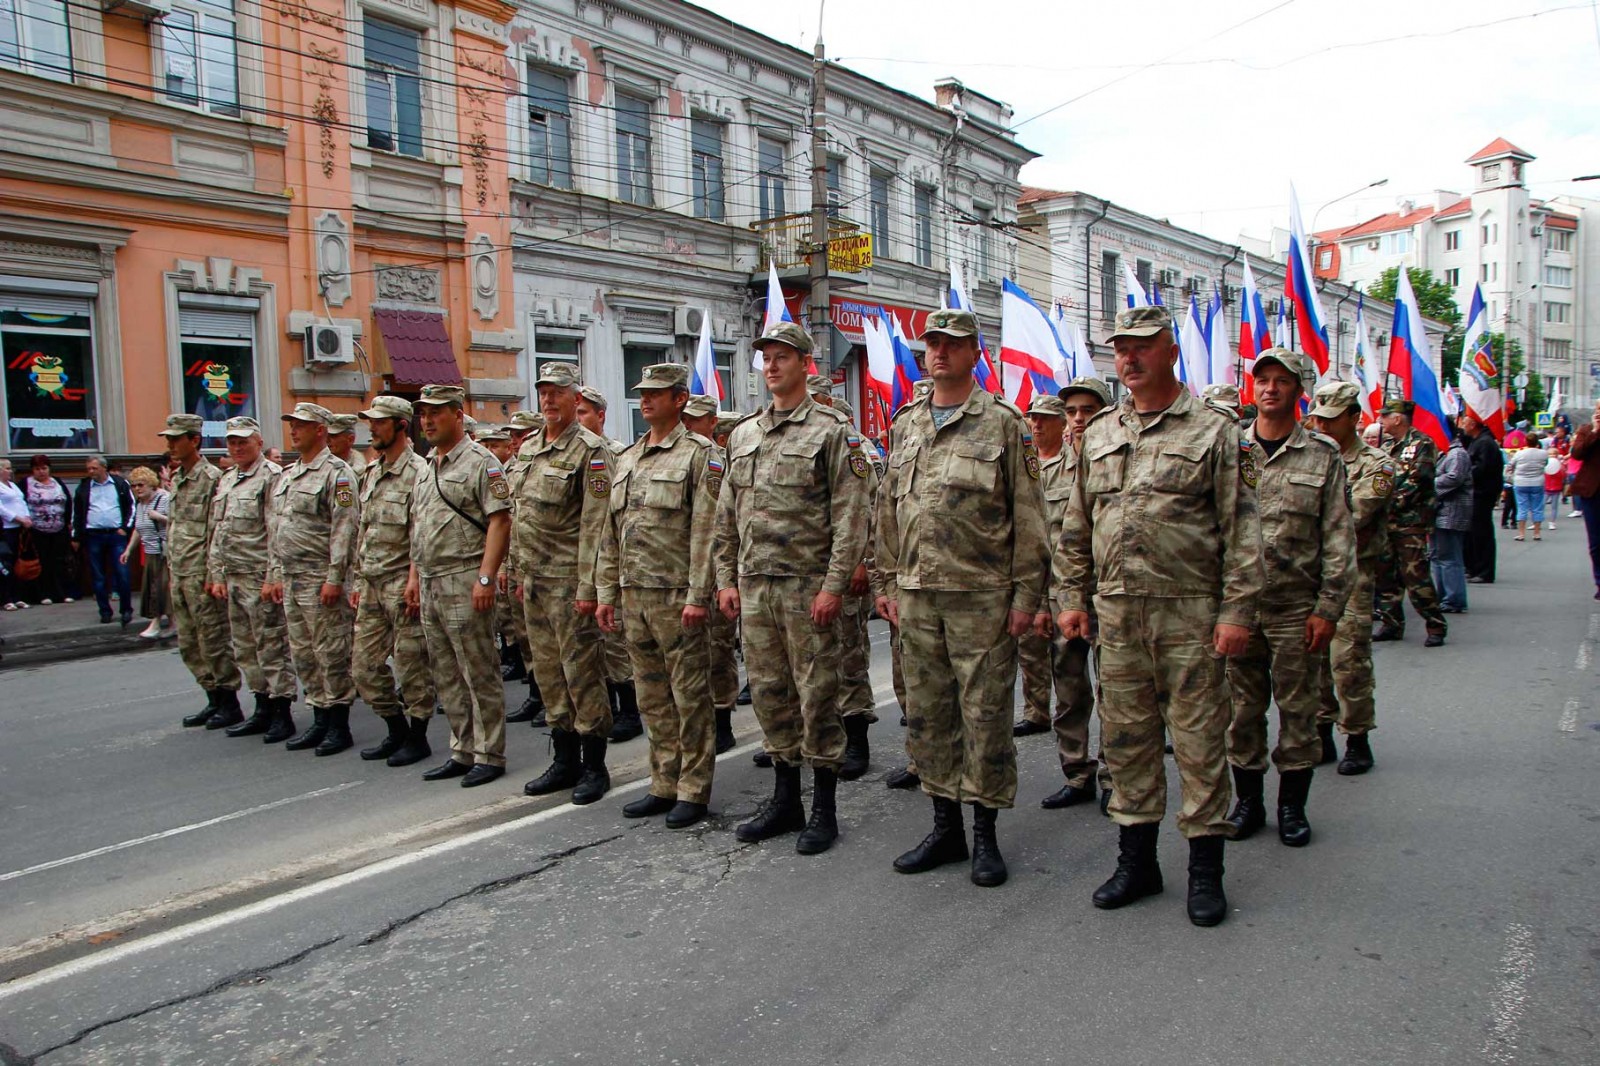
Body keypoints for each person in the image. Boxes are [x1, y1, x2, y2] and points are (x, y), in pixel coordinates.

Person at [1056, 305, 1265, 927]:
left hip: (1192, 615)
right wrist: (1070, 598)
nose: (1130, 358)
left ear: (1171, 350)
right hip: (1117, 618)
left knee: (1201, 744)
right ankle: (1137, 862)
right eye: (1121, 348)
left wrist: (1237, 612)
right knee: (1126, 744)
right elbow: (1075, 528)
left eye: (1143, 346)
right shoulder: (1098, 433)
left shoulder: (1213, 431)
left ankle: (1206, 873)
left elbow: (1242, 531)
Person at [877, 308, 1047, 888]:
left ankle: (985, 836)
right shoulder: (906, 425)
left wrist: (1026, 597)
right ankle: (944, 824)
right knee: (929, 716)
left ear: (976, 352)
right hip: (918, 595)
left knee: (985, 718)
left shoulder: (1005, 424)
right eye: (933, 344)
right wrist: (885, 582)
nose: (940, 352)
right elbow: (888, 512)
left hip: (983, 598)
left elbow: (1028, 518)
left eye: (953, 344)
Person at [713, 320, 870, 854]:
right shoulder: (743, 434)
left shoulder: (831, 430)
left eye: (783, 356)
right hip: (756, 588)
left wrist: (833, 587)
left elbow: (851, 517)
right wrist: (725, 578)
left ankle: (823, 808)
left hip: (808, 589)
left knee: (817, 696)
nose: (772, 364)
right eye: (766, 356)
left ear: (806, 364)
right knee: (770, 696)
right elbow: (726, 516)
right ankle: (786, 800)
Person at [1224, 349, 1353, 850]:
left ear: (1301, 392)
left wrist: (1329, 608)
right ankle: (1249, 802)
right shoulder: (1230, 450)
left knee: (1299, 711)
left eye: (1282, 381)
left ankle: (1292, 807)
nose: (1271, 389)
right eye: (1263, 380)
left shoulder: (1322, 455)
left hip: (1296, 607)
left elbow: (1339, 537)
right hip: (1240, 608)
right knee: (1242, 710)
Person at [597, 364, 720, 828]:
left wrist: (697, 595)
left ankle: (693, 788)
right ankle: (663, 781)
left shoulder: (699, 454)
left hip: (676, 596)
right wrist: (607, 591)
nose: (646, 400)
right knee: (651, 697)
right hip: (634, 595)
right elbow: (612, 533)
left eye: (657, 393)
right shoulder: (628, 458)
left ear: (680, 399)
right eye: (642, 393)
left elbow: (707, 532)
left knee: (689, 696)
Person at [515, 363, 617, 804]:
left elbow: (597, 527)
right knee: (549, 675)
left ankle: (594, 765)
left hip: (569, 584)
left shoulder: (591, 452)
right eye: (544, 392)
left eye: (558, 392)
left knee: (582, 675)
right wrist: (516, 574)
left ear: (576, 399)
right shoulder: (529, 449)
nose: (549, 400)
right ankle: (563, 760)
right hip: (535, 584)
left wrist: (588, 589)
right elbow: (520, 516)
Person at [408, 384, 514, 786]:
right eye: (423, 414)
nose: (428, 421)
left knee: (477, 669)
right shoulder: (428, 465)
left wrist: (486, 577)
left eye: (436, 413)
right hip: (433, 579)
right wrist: (416, 576)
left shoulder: (481, 462)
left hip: (465, 575)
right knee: (446, 671)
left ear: (457, 413)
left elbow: (499, 521)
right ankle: (463, 748)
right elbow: (420, 527)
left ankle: (490, 752)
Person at [1308, 382, 1394, 776]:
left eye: (1331, 419)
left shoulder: (1376, 464)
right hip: (1309, 572)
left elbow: (1352, 516)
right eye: (1317, 418)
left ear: (1354, 418)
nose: (1321, 426)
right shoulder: (1308, 460)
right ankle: (1321, 730)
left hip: (1353, 574)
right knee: (1313, 659)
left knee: (1349, 659)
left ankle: (1357, 736)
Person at [349, 395, 437, 768]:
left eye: (380, 422)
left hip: (403, 583)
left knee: (411, 664)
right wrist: (356, 579)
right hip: (371, 582)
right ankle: (395, 728)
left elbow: (422, 532)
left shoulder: (419, 471)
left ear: (401, 426)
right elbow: (362, 530)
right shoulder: (371, 472)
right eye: (371, 421)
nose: (372, 428)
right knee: (364, 667)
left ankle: (417, 737)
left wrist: (415, 580)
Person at [268, 403, 360, 757]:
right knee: (304, 653)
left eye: (302, 425)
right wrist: (275, 573)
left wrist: (335, 577)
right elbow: (278, 527)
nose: (294, 430)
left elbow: (344, 528)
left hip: (320, 577)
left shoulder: (336, 474)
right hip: (292, 577)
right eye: (292, 424)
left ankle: (338, 723)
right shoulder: (290, 474)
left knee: (330, 652)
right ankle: (320, 717)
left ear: (320, 430)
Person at [1040, 377, 1114, 812]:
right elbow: (1038, 541)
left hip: (1110, 597)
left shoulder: (1119, 462)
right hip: (1062, 598)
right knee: (1069, 691)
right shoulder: (1047, 470)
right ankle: (1077, 772)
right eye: (1071, 411)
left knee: (1115, 693)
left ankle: (1113, 776)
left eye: (1089, 409)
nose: (1079, 419)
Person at [209, 417, 299, 742]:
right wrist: (217, 573)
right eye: (232, 442)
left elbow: (277, 532)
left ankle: (281, 712)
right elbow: (219, 530)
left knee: (271, 646)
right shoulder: (228, 479)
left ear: (259, 443)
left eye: (243, 441)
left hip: (260, 577)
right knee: (246, 649)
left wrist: (273, 576)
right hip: (234, 576)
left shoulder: (272, 477)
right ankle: (261, 707)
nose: (236, 447)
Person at [157, 414, 241, 729]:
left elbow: (214, 531)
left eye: (176, 439)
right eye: (168, 439)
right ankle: (212, 697)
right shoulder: (179, 478)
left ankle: (228, 702)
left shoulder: (211, 478)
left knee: (213, 639)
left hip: (202, 575)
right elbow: (177, 528)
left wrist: (213, 574)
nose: (170, 445)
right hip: (180, 571)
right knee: (189, 642)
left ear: (194, 440)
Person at [575, 387, 642, 743]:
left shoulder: (616, 455)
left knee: (615, 641)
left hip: (610, 559)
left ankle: (629, 710)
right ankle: (607, 708)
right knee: (588, 644)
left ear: (600, 416)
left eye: (584, 412)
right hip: (578, 563)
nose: (579, 418)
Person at [682, 392, 739, 753]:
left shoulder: (716, 462)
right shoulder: (682, 457)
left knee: (719, 648)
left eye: (696, 418)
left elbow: (722, 523)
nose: (689, 424)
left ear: (711, 421)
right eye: (685, 417)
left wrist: (724, 577)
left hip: (717, 567)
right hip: (686, 570)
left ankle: (723, 720)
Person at [1373, 400, 1446, 647]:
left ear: (1399, 418)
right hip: (1385, 522)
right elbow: (1379, 478)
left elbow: (1420, 480)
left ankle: (1435, 624)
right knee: (1385, 575)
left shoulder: (1422, 443)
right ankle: (1391, 623)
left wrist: (1388, 503)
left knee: (1416, 576)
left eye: (1385, 415)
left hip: (1410, 521)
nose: (1381, 420)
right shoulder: (1386, 446)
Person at [70, 456, 135, 626]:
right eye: (89, 469)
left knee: (122, 573)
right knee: (98, 576)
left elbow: (131, 506)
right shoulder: (84, 487)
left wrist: (125, 528)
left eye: (94, 468)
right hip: (94, 535)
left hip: (116, 534)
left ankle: (126, 609)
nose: (91, 472)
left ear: (104, 468)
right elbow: (77, 512)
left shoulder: (119, 484)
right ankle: (105, 611)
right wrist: (76, 535)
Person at [120, 466, 173, 639]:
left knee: (161, 590)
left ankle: (156, 624)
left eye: (140, 485)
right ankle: (173, 624)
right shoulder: (141, 504)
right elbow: (138, 528)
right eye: (134, 486)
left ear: (151, 484)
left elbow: (178, 520)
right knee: (155, 589)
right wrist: (128, 550)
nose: (137, 489)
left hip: (165, 553)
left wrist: (160, 517)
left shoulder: (163, 499)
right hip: (151, 552)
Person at [1431, 425, 1473, 613]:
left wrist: (1428, 483)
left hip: (1451, 512)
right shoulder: (1445, 452)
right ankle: (1443, 596)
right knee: (1438, 556)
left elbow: (1454, 478)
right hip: (1440, 512)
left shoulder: (1456, 453)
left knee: (1449, 557)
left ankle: (1453, 598)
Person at [23, 455, 73, 604]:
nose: (41, 472)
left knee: (60, 562)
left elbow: (68, 502)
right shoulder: (26, 484)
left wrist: (68, 522)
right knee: (43, 562)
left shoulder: (57, 482)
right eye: (37, 469)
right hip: (37, 530)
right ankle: (44, 594)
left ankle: (62, 593)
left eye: (44, 468)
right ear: (32, 470)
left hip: (59, 529)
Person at [1460, 414, 1504, 583]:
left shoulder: (1485, 443)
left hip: (1482, 493)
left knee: (1481, 532)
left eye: (1465, 422)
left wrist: (1463, 474)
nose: (1463, 425)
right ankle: (1473, 567)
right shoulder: (1477, 441)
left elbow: (1482, 469)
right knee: (1472, 533)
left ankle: (1484, 570)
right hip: (1476, 493)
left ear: (1473, 424)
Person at [1569, 401, 1600, 599]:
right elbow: (1577, 454)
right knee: (1596, 542)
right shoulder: (1586, 430)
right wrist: (1596, 431)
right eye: (1598, 410)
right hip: (1592, 492)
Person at [0, 458, 32, 611]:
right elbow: (2, 509)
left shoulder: (13, 486)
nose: (10, 471)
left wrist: (26, 517)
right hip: (6, 529)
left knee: (19, 563)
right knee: (7, 564)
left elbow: (22, 502)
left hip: (20, 528)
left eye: (10, 468)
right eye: (7, 468)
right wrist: (18, 518)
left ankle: (18, 596)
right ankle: (7, 598)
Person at [1506, 431, 1548, 541]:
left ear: (1525, 441)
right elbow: (1546, 464)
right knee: (1537, 508)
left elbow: (1510, 465)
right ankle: (1537, 533)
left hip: (1521, 483)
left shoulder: (1519, 453)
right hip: (1537, 483)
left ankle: (1521, 533)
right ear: (1537, 442)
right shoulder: (1543, 453)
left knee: (1522, 507)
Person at [327, 413, 369, 480]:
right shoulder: (318, 463)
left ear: (350, 439)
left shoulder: (361, 471)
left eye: (333, 436)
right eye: (326, 435)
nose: (327, 440)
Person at [1543, 448, 1566, 531]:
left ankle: (1552, 522)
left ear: (1557, 455)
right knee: (1541, 505)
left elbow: (1563, 475)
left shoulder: (1560, 464)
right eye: (1550, 454)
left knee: (1554, 506)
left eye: (1553, 454)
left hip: (1556, 488)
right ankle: (1537, 522)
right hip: (1546, 487)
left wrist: (1560, 470)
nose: (1552, 456)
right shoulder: (1545, 464)